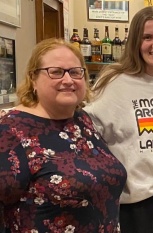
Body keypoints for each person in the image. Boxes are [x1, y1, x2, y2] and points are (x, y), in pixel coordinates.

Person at [84, 6, 153, 233]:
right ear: (136, 42)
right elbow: (86, 136)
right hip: (134, 205)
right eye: (147, 37)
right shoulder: (114, 82)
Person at [0, 38, 126, 232]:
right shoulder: (10, 130)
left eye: (75, 72)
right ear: (33, 78)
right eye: (56, 72)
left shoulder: (82, 120)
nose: (68, 80)